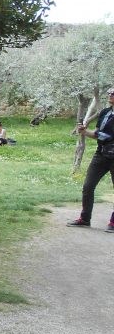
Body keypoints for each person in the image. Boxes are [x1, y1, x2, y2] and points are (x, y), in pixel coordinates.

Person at [67, 87, 114, 232]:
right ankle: (85, 219)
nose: (110, 95)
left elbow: (108, 136)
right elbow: (98, 133)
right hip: (101, 154)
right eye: (110, 93)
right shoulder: (105, 113)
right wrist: (84, 131)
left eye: (113, 93)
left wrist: (101, 135)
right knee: (88, 187)